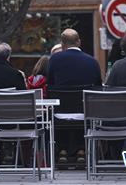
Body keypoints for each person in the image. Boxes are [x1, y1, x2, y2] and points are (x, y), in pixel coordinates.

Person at [47, 29, 102, 164]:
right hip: (85, 112)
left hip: (59, 113)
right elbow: (98, 87)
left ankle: (62, 150)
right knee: (81, 111)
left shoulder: (54, 60)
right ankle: (81, 150)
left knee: (62, 112)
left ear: (63, 44)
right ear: (79, 42)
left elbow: (50, 84)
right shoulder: (92, 61)